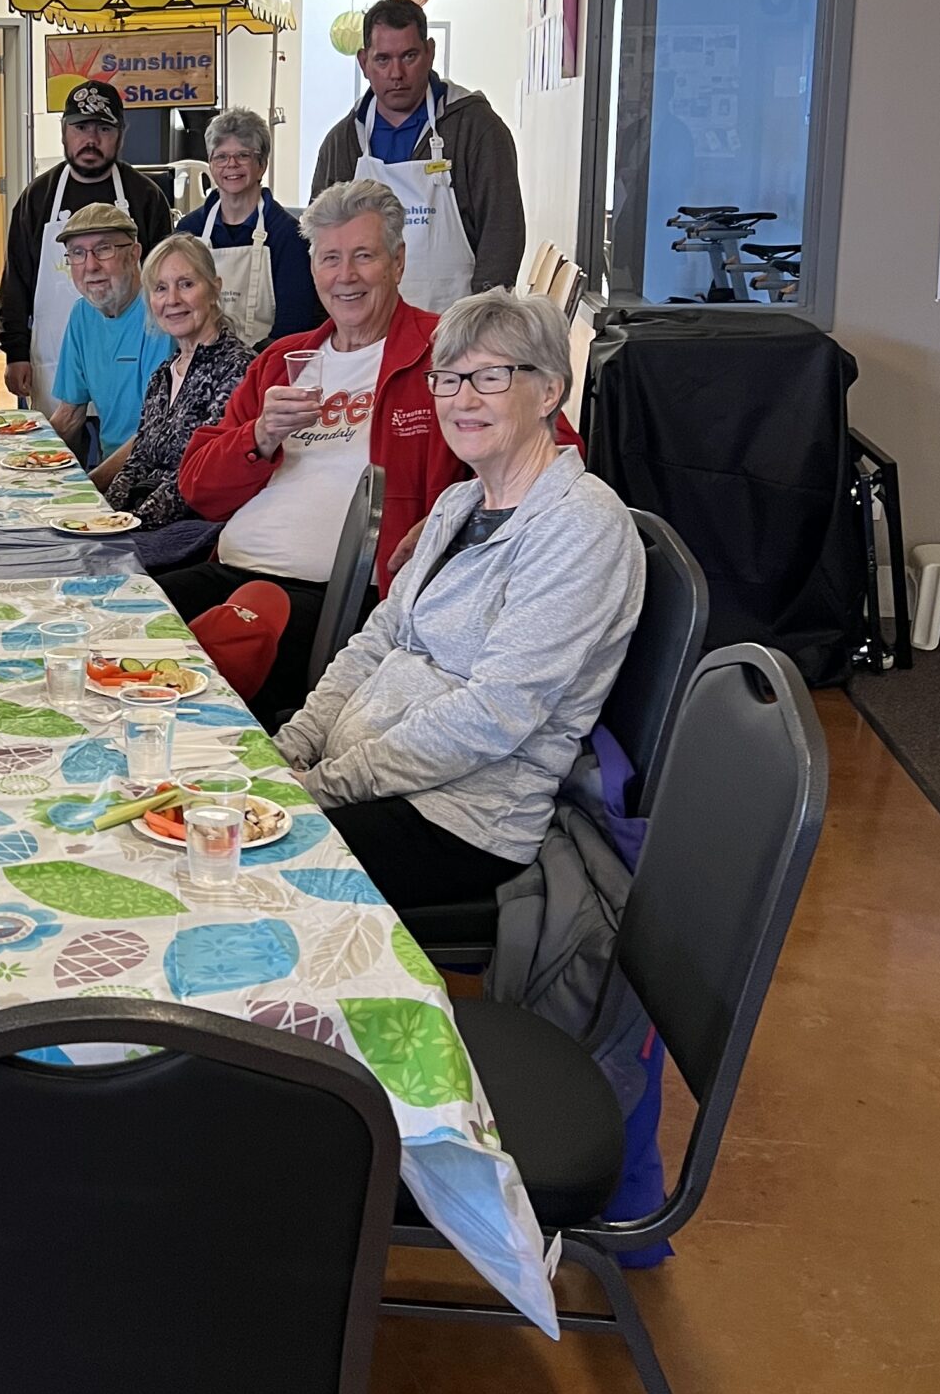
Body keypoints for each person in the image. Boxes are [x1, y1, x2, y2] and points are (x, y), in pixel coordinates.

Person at [276, 289, 644, 924]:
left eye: (491, 377)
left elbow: (495, 714)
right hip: (367, 768)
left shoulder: (580, 525)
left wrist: (323, 787)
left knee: (241, 869)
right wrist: (293, 746)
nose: (462, 399)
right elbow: (378, 639)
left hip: (463, 815)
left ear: (549, 391)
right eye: (447, 378)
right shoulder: (458, 503)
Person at [165, 182, 467, 726]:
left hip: (340, 600)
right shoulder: (281, 360)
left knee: (207, 660)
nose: (345, 276)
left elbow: (547, 455)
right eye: (330, 258)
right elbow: (198, 488)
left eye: (363, 256)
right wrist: (258, 436)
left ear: (398, 262)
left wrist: (453, 515)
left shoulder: (448, 350)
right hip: (231, 569)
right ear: (313, 268)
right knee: (121, 615)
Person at [310, 0, 524, 312]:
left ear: (430, 53)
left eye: (408, 56)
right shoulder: (343, 142)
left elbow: (502, 234)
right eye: (383, 59)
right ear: (364, 62)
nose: (396, 73)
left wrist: (481, 320)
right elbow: (321, 240)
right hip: (366, 325)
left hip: (454, 323)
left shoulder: (476, 129)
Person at [0, 77, 173, 410]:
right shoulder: (37, 198)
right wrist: (15, 352)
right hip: (53, 360)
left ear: (121, 134)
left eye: (104, 129)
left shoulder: (146, 197)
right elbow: (16, 282)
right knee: (57, 439)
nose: (91, 140)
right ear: (64, 131)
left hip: (133, 360)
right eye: (80, 128)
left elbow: (163, 285)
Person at [99, 234, 252, 535]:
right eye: (160, 288)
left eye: (186, 284)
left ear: (214, 289)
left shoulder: (237, 368)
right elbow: (138, 461)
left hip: (197, 530)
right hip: (142, 524)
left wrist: (129, 526)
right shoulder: (163, 375)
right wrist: (104, 516)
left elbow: (198, 475)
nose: (172, 300)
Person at [175, 107, 315, 349]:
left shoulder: (288, 234)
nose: (231, 164)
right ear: (211, 164)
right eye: (221, 157)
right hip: (198, 359)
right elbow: (175, 307)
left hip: (267, 362)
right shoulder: (188, 231)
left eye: (243, 155)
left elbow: (295, 323)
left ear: (262, 165)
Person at [48, 205, 176, 469]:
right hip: (110, 467)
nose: (91, 266)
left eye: (104, 249)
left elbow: (154, 435)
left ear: (134, 254)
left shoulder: (161, 314)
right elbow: (70, 414)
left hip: (157, 472)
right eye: (78, 253)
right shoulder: (82, 315)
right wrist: (29, 460)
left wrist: (93, 483)